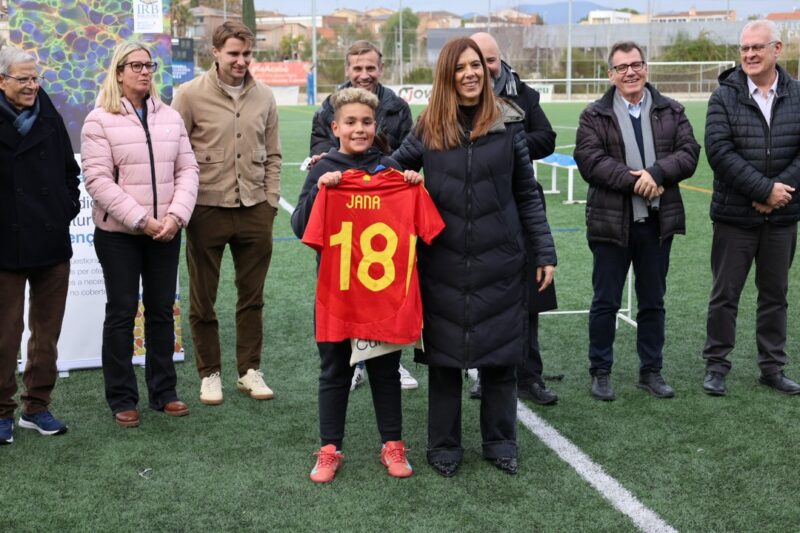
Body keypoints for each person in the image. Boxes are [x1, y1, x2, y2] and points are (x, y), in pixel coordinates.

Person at [392, 37, 556, 477]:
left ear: (487, 74)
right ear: (447, 75)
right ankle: (444, 445)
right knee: (444, 361)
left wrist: (544, 250)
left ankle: (501, 441)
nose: (470, 73)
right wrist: (339, 169)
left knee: (502, 357)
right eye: (460, 67)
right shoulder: (428, 127)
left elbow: (527, 194)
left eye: (477, 67)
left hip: (501, 258)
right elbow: (387, 173)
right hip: (441, 260)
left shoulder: (507, 124)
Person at [291, 88, 430, 483]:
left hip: (380, 295)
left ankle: (393, 444)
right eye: (350, 122)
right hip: (336, 293)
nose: (359, 129)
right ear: (335, 127)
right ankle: (329, 448)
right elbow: (300, 227)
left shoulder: (390, 171)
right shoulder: (323, 169)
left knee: (385, 369)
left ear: (376, 126)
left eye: (366, 122)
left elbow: (420, 227)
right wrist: (322, 192)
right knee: (333, 368)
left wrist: (413, 183)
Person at [81, 41, 199, 427]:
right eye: (136, 66)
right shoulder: (99, 120)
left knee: (163, 311)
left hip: (165, 231)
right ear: (119, 72)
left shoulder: (171, 117)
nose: (145, 72)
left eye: (149, 65)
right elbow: (97, 180)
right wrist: (140, 220)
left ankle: (164, 392)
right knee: (121, 313)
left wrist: (175, 216)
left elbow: (188, 170)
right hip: (119, 235)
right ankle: (122, 398)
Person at [574, 41, 699, 401]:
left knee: (653, 300)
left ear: (645, 67)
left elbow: (689, 153)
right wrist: (637, 181)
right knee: (606, 300)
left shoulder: (671, 110)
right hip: (612, 223)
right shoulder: (593, 115)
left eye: (636, 64)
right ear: (610, 75)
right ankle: (600, 371)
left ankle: (651, 370)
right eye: (621, 67)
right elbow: (590, 161)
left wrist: (657, 172)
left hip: (657, 222)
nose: (630, 72)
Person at [172, 21, 282, 405]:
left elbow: (274, 154)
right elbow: (175, 154)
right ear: (215, 52)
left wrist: (270, 202)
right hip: (206, 210)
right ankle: (210, 374)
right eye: (233, 53)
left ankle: (249, 370)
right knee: (203, 299)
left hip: (255, 210)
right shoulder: (187, 95)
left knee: (252, 298)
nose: (241, 61)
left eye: (246, 54)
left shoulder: (265, 96)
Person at [310, 40, 418, 391]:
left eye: (370, 67)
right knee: (343, 287)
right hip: (343, 216)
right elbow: (319, 153)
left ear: (380, 68)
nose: (364, 74)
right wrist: (343, 176)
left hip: (384, 211)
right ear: (347, 69)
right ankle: (350, 363)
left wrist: (384, 179)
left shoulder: (398, 107)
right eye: (357, 68)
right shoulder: (328, 107)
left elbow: (408, 152)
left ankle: (391, 360)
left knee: (383, 288)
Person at [702, 19, 800, 396]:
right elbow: (720, 152)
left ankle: (772, 367)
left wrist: (779, 193)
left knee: (775, 295)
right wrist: (762, 190)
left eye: (757, 47)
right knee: (725, 295)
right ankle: (716, 365)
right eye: (744, 49)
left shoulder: (796, 94)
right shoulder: (723, 96)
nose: (749, 55)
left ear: (778, 49)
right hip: (735, 217)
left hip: (783, 216)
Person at [470, 31, 559, 405]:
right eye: (477, 61)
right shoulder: (457, 96)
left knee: (529, 297)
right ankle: (480, 372)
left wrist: (509, 140)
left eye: (490, 60)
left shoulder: (524, 94)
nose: (485, 69)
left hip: (519, 205)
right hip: (474, 210)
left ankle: (530, 375)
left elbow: (547, 138)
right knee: (478, 299)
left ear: (500, 59)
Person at [0, 46, 80, 443]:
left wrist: (65, 207)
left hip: (50, 240)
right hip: (5, 244)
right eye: (23, 79)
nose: (32, 86)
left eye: (36, 79)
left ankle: (37, 406)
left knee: (46, 333)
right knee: (4, 333)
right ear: (2, 81)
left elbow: (70, 170)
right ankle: (1, 411)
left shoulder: (48, 114)